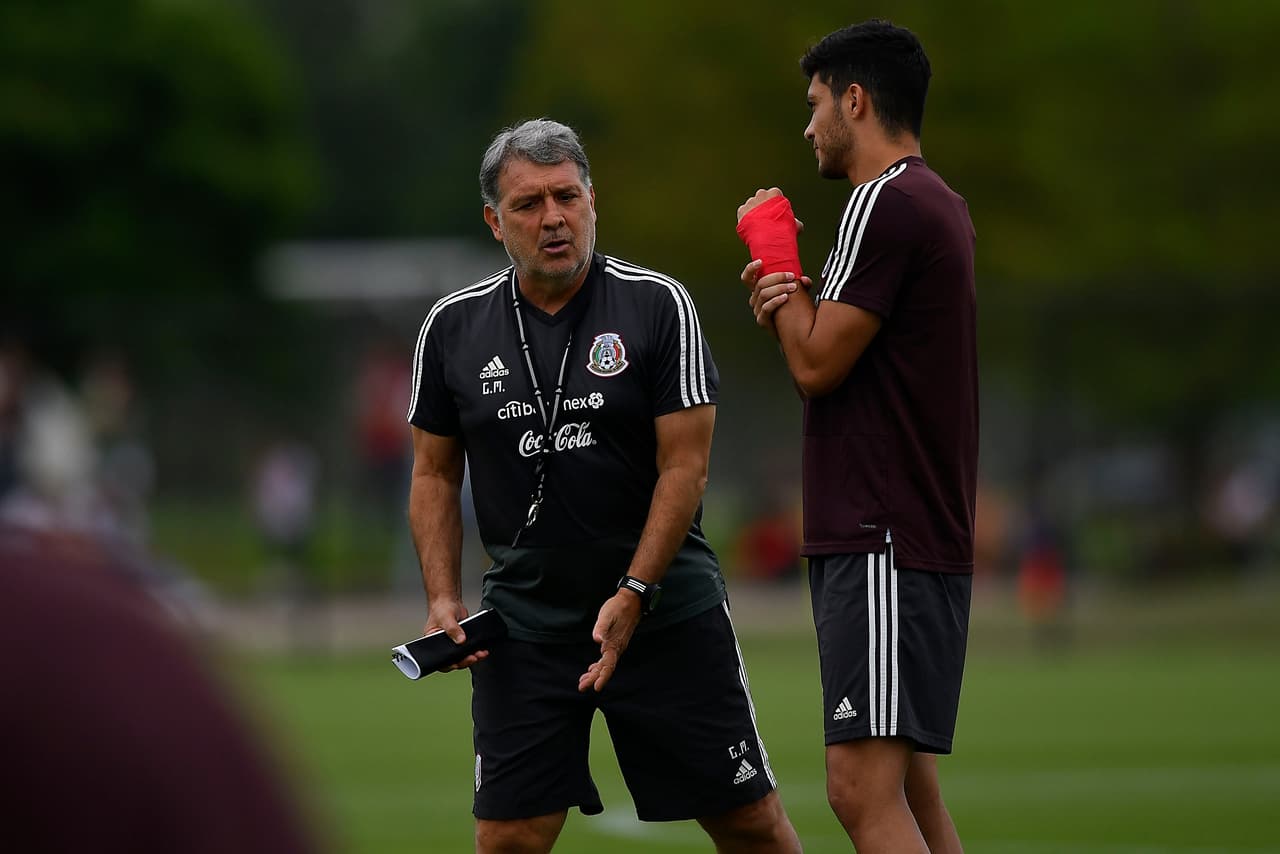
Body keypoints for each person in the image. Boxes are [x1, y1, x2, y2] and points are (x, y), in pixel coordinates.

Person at [407, 119, 801, 853]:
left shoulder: (658, 304)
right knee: (508, 838)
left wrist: (635, 591)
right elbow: (433, 473)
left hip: (664, 610)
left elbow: (685, 467)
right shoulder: (453, 327)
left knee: (750, 824)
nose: (553, 218)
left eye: (567, 196)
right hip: (525, 620)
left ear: (594, 200)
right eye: (528, 204)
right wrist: (440, 597)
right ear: (494, 221)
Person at [736, 20, 978, 854]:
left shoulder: (884, 203)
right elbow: (831, 347)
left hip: (882, 536)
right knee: (911, 790)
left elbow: (814, 363)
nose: (808, 127)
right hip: (910, 534)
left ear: (855, 100)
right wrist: (789, 300)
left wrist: (774, 259)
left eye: (815, 105)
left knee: (859, 792)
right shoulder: (937, 202)